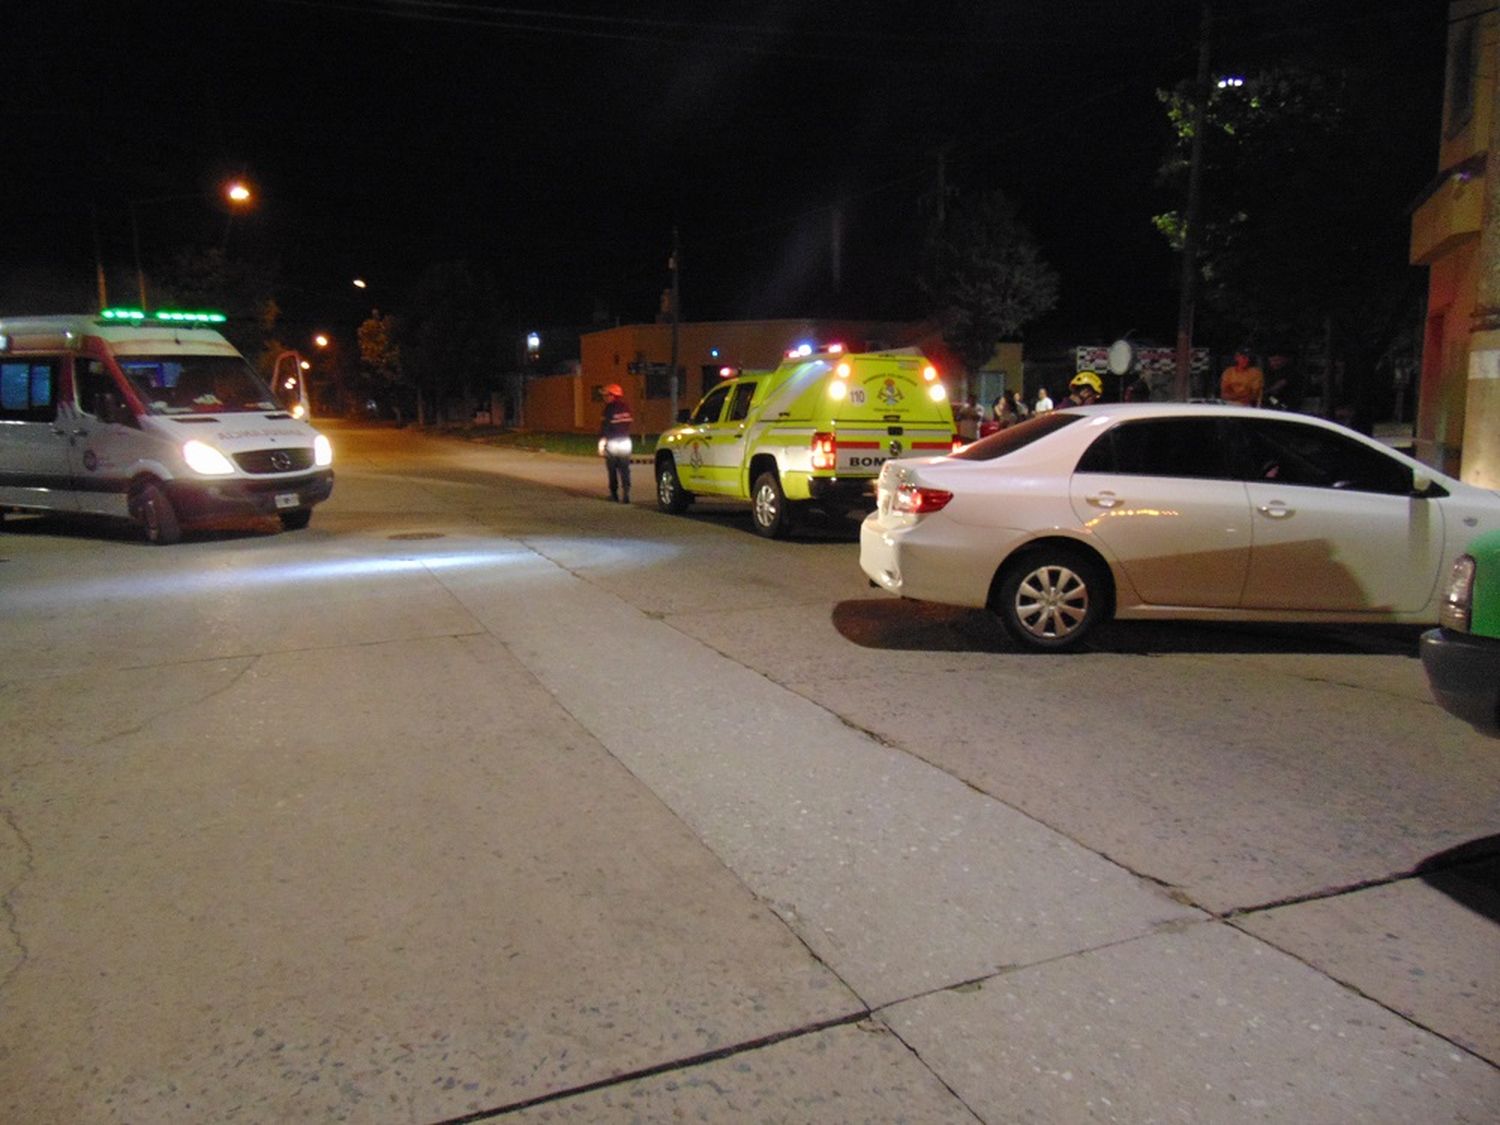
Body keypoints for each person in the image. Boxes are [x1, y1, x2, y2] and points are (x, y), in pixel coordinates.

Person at [598, 383, 634, 502]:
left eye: (606, 395)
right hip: (625, 442)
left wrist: (601, 444)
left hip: (612, 442)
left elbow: (605, 428)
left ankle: (614, 494)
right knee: (625, 469)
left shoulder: (608, 409)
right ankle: (626, 493)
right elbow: (628, 423)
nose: (604, 398)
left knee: (612, 469)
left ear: (613, 396)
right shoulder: (626, 407)